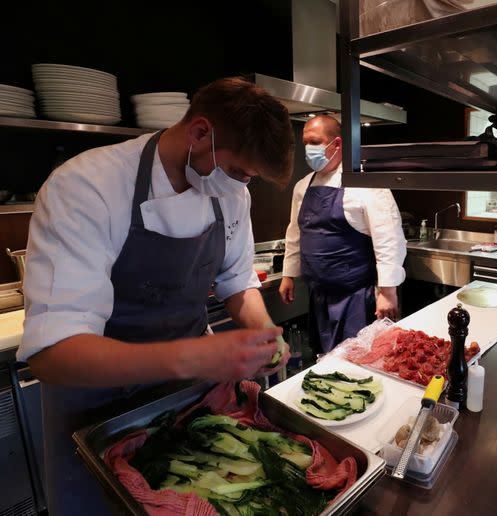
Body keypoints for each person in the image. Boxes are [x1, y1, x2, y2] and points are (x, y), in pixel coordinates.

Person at [17, 77, 294, 515]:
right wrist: (198, 357)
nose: (242, 185)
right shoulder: (86, 187)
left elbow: (237, 278)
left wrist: (262, 330)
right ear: (201, 132)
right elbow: (51, 354)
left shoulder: (230, 194)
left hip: (185, 397)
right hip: (94, 414)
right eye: (240, 171)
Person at [279, 115, 406, 353]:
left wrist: (388, 293)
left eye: (315, 142)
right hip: (318, 296)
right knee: (325, 358)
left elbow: (389, 238)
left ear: (336, 144)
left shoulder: (366, 184)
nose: (308, 149)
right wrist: (288, 274)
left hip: (356, 298)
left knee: (357, 362)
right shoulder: (303, 186)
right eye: (305, 142)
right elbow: (295, 232)